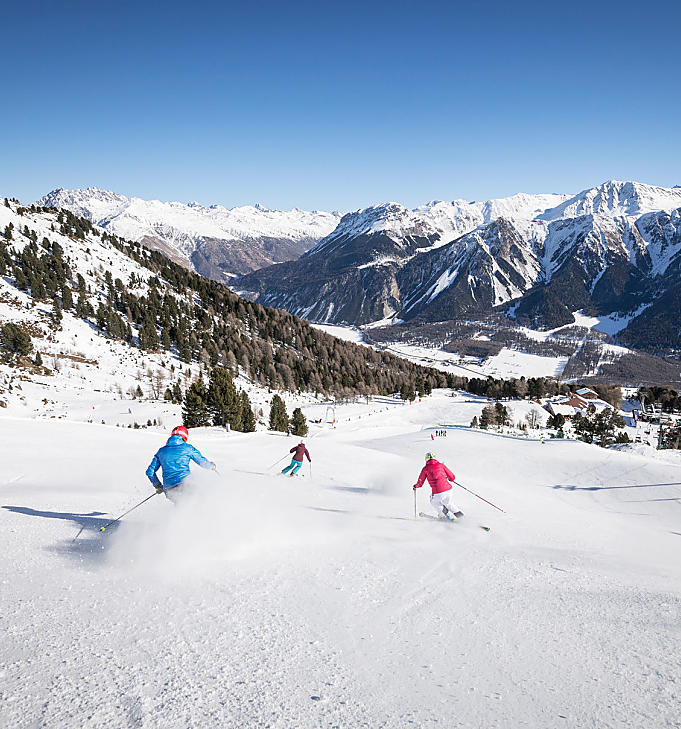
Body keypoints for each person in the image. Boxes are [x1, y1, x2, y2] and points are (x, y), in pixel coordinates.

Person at [146, 425, 216, 499]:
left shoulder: (161, 451)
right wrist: (211, 466)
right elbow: (201, 461)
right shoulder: (187, 448)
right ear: (184, 437)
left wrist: (158, 486)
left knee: (181, 507)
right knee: (200, 500)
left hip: (169, 490)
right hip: (186, 485)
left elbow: (150, 472)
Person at [413, 452, 463, 520]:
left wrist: (416, 486)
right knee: (449, 504)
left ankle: (443, 516)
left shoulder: (425, 469)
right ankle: (462, 518)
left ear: (426, 459)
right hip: (448, 490)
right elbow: (452, 478)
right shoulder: (441, 465)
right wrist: (448, 478)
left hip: (438, 493)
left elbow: (420, 483)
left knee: (434, 502)